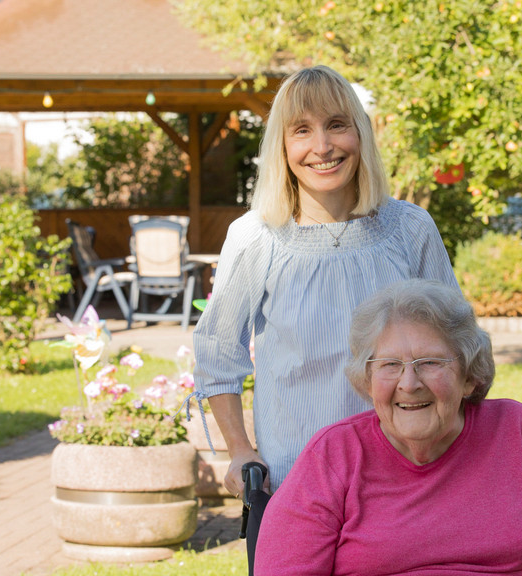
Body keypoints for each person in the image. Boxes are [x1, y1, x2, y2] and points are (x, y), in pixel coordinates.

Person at [189, 65, 458, 494]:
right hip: (294, 477)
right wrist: (239, 450)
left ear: (361, 134)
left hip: (408, 475)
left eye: (336, 125)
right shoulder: (256, 237)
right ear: (281, 145)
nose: (322, 146)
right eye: (302, 130)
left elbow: (456, 345)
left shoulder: (411, 229)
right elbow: (218, 352)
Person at [254, 279, 522, 576]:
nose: (408, 384)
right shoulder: (333, 456)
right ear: (367, 381)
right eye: (390, 365)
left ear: (468, 377)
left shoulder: (513, 429)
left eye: (430, 363)